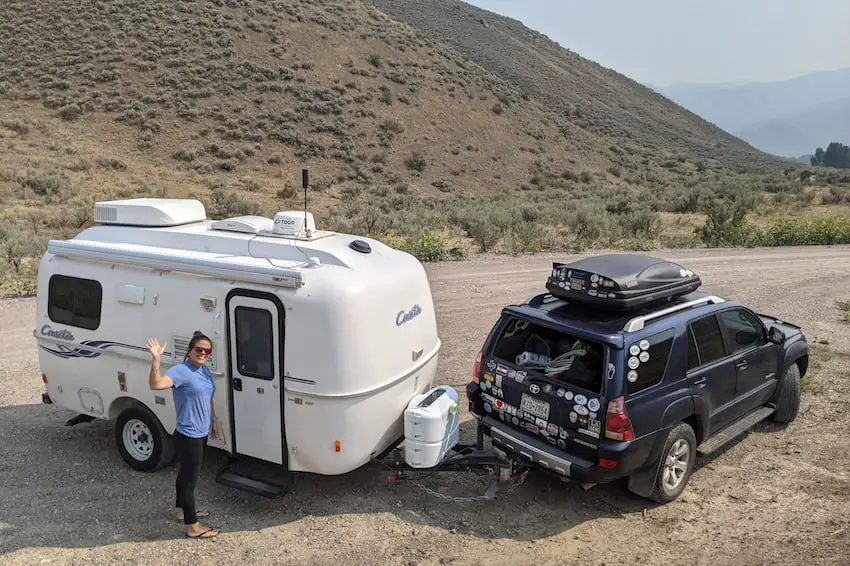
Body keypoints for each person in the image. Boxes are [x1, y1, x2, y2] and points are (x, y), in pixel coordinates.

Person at [146, 331, 221, 539]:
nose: (203, 353)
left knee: (185, 475)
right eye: (199, 350)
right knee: (190, 480)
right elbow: (156, 384)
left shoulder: (204, 371)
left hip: (201, 432)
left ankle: (181, 510)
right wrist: (156, 360)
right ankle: (193, 527)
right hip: (189, 435)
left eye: (207, 351)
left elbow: (208, 398)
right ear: (189, 350)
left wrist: (213, 421)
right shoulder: (181, 370)